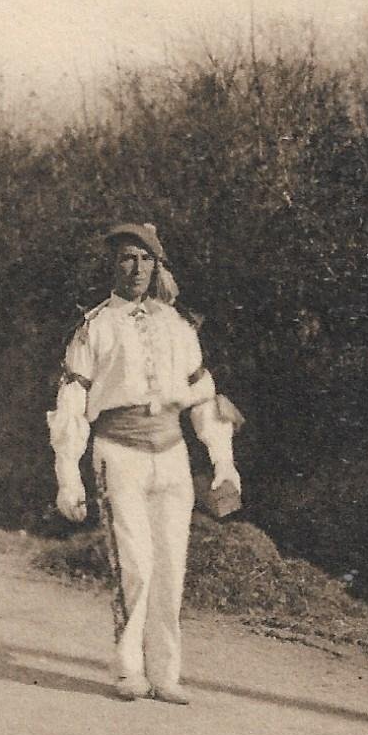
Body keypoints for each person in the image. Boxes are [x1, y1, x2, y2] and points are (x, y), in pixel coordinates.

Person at [48, 222, 242, 705]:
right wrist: (68, 476)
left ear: (157, 265)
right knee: (135, 565)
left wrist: (223, 462)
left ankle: (166, 673)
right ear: (112, 265)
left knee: (171, 566)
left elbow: (204, 397)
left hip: (172, 457)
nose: (136, 268)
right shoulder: (95, 327)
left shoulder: (177, 326)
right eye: (127, 258)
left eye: (145, 259)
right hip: (119, 454)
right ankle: (130, 669)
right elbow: (71, 403)